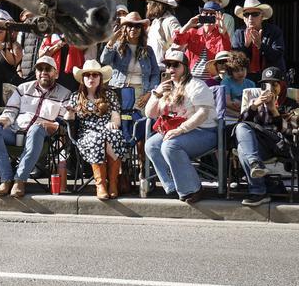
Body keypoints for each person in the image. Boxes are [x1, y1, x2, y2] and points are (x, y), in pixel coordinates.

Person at [0, 56, 71, 198]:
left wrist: (49, 124)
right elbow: (11, 111)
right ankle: (6, 179)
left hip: (42, 137)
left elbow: (62, 122)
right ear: (36, 72)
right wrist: (4, 120)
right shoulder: (23, 88)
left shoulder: (65, 94)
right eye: (40, 69)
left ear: (56, 73)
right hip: (15, 131)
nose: (43, 72)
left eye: (48, 69)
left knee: (36, 128)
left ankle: (20, 180)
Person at [144, 49, 217, 203]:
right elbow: (150, 114)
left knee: (170, 146)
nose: (170, 69)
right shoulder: (165, 88)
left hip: (204, 131)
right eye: (168, 65)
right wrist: (156, 94)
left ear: (185, 66)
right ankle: (174, 186)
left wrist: (180, 130)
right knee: (151, 145)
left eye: (175, 65)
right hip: (176, 131)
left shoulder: (197, 85)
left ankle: (193, 189)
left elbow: (203, 113)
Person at [63, 60, 132, 200]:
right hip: (86, 133)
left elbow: (116, 117)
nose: (91, 78)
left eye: (95, 75)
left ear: (100, 78)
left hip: (107, 129)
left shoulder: (110, 95)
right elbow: (68, 120)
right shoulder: (76, 96)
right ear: (82, 78)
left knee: (114, 134)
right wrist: (70, 112)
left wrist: (113, 123)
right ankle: (100, 185)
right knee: (97, 138)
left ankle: (112, 183)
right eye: (87, 75)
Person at [232, 67, 299, 206]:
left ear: (282, 85)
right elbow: (240, 125)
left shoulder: (291, 104)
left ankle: (259, 189)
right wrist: (255, 106)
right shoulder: (257, 104)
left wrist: (273, 110)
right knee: (242, 143)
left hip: (280, 145)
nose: (270, 89)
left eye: (274, 84)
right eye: (265, 85)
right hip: (259, 147)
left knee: (243, 148)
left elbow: (290, 131)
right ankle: (258, 183)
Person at [171, 1, 232, 78]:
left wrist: (223, 32)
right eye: (205, 13)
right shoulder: (193, 32)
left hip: (211, 80)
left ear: (218, 17)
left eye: (212, 14)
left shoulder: (220, 35)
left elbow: (226, 51)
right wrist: (187, 25)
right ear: (201, 15)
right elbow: (177, 40)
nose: (208, 16)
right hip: (191, 78)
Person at [231, 0, 285, 81]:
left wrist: (260, 45)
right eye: (246, 14)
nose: (250, 18)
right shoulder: (239, 33)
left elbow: (277, 56)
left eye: (255, 14)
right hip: (245, 79)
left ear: (262, 16)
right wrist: (246, 46)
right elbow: (234, 63)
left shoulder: (274, 31)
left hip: (270, 78)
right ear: (243, 18)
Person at [138, 0, 180, 66]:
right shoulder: (155, 21)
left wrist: (168, 57)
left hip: (163, 69)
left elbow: (180, 42)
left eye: (149, 3)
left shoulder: (170, 20)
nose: (147, 6)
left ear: (156, 5)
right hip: (153, 67)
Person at [219, 51, 254, 119]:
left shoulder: (251, 84)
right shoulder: (226, 82)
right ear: (231, 72)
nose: (240, 73)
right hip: (230, 114)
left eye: (242, 69)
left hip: (246, 112)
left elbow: (253, 102)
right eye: (236, 70)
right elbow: (227, 102)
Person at [15, 10, 44, 83]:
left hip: (42, 70)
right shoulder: (25, 27)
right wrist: (18, 69)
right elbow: (18, 49)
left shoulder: (47, 26)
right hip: (26, 70)